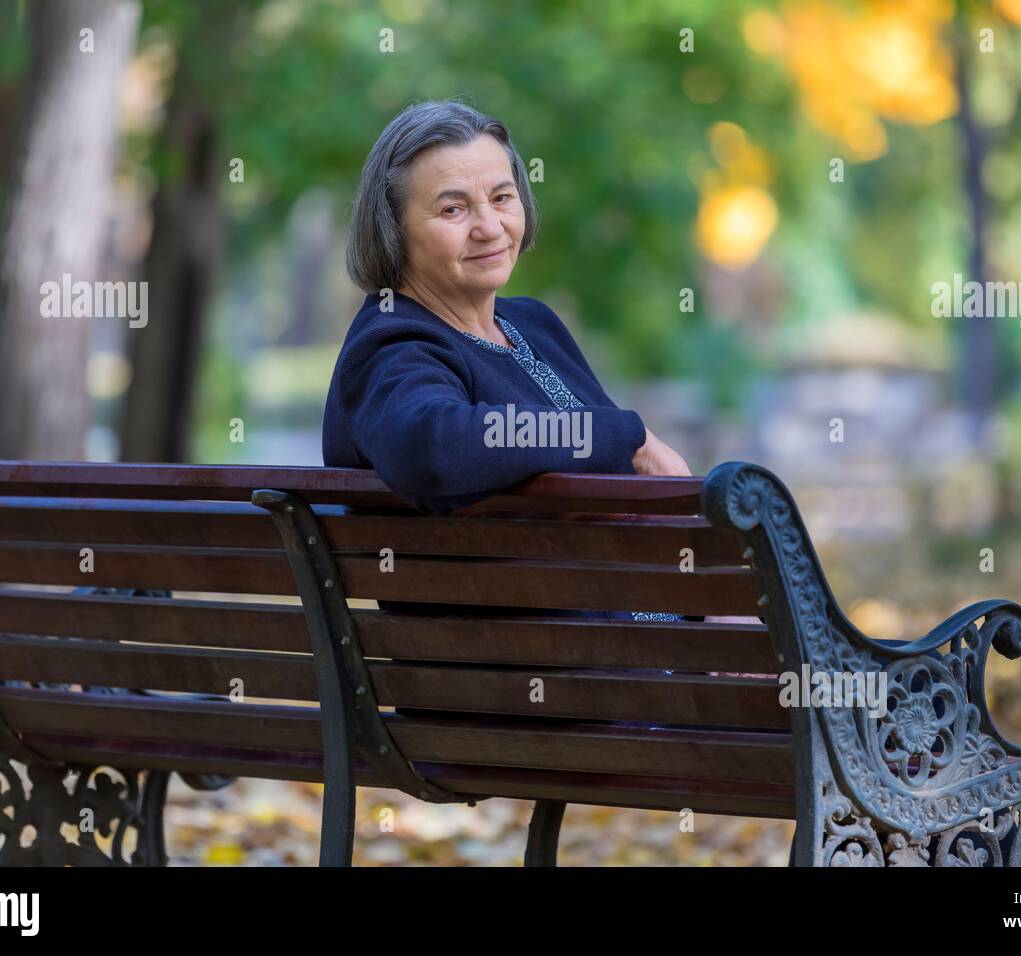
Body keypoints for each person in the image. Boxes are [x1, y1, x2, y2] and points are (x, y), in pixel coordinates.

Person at [324, 98, 757, 634]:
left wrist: (706, 598)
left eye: (502, 197)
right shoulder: (394, 344)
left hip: (638, 655)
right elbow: (431, 445)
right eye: (453, 209)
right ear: (392, 229)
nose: (488, 226)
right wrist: (632, 436)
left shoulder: (533, 325)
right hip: (555, 688)